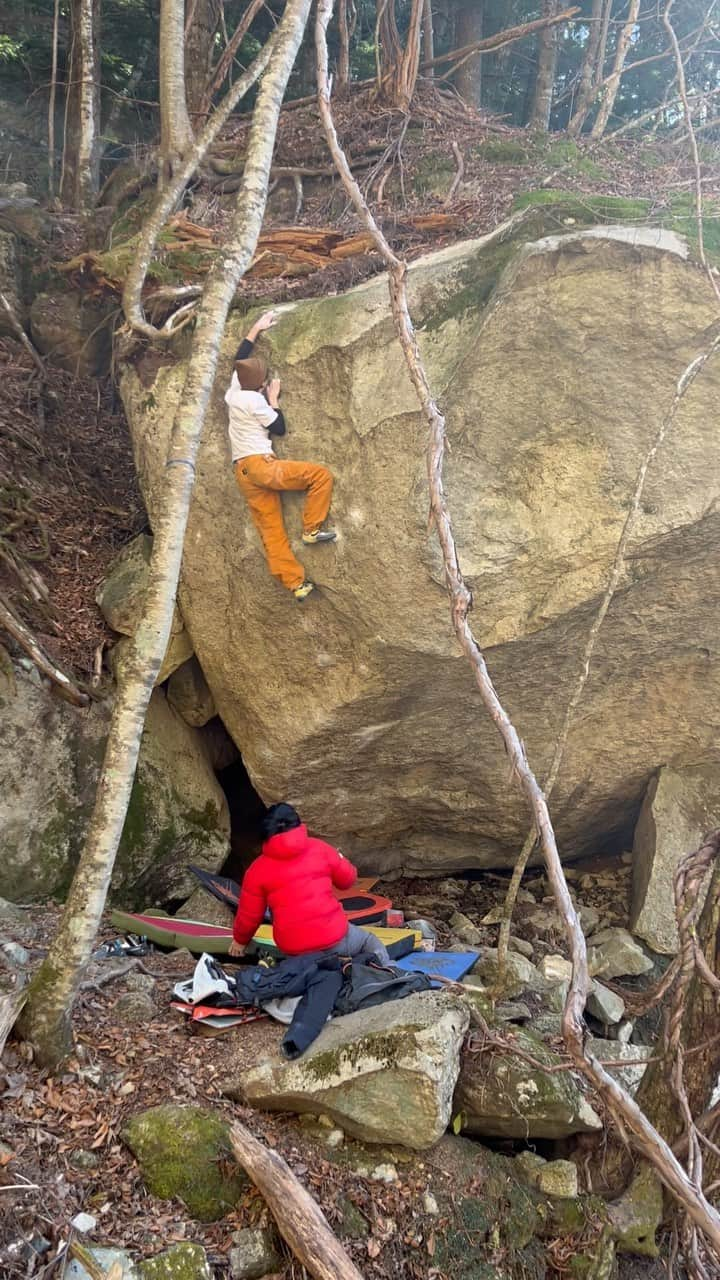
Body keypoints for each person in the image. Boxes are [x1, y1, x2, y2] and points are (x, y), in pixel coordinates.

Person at [226, 310, 336, 602]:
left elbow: (239, 357)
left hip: (243, 473)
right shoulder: (254, 401)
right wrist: (273, 399)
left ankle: (295, 584)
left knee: (272, 531)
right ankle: (311, 529)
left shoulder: (234, 392)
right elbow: (280, 428)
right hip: (262, 466)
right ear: (260, 385)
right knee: (319, 476)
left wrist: (256, 329)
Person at [228, 803, 391, 965]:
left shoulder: (256, 870)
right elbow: (348, 880)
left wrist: (240, 941)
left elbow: (249, 916)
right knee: (368, 941)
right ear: (298, 824)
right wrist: (340, 857)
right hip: (334, 937)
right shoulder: (320, 848)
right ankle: (388, 971)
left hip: (294, 952)